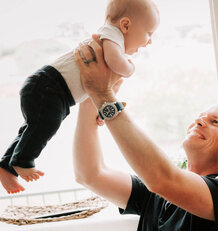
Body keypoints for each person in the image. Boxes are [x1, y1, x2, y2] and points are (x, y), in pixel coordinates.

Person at [23, 36, 218, 231]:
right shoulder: (153, 194)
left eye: (215, 122)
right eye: (200, 117)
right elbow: (90, 174)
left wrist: (104, 95)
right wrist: (90, 95)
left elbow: (162, 179)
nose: (199, 122)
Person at [0, 0, 159, 194]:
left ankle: (7, 166)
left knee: (32, 129)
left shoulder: (110, 40)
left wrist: (102, 107)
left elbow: (98, 87)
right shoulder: (112, 35)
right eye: (149, 33)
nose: (150, 41)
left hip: (47, 87)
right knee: (45, 126)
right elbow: (116, 63)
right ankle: (22, 161)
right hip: (50, 86)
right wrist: (130, 67)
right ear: (125, 25)